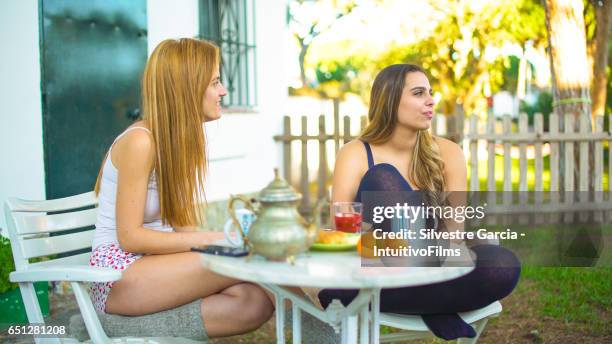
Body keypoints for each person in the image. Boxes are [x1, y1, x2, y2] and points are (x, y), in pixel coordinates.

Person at [89, 38, 274, 338]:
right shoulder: (141, 141)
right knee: (250, 259)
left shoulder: (179, 142)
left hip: (158, 268)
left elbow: (181, 226)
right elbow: (130, 237)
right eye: (215, 82)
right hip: (117, 274)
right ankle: (330, 323)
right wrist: (217, 241)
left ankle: (121, 328)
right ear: (186, 87)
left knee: (255, 302)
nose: (223, 91)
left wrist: (233, 239)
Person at [323, 64, 521, 340]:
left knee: (503, 264)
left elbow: (453, 236)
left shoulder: (448, 153)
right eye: (418, 93)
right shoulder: (355, 153)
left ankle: (428, 301)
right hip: (375, 272)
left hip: (432, 267)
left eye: (430, 92)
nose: (431, 100)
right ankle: (437, 307)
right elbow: (344, 235)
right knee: (383, 177)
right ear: (390, 101)